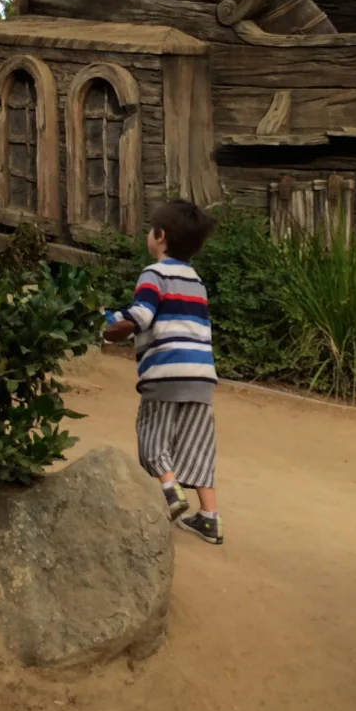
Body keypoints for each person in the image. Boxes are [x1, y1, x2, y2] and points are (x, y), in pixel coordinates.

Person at [104, 199, 224, 545]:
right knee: (197, 443)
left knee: (152, 435)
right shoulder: (197, 280)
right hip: (200, 376)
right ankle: (210, 518)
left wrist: (106, 322)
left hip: (165, 372)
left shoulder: (154, 274)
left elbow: (141, 317)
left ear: (160, 236)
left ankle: (170, 491)